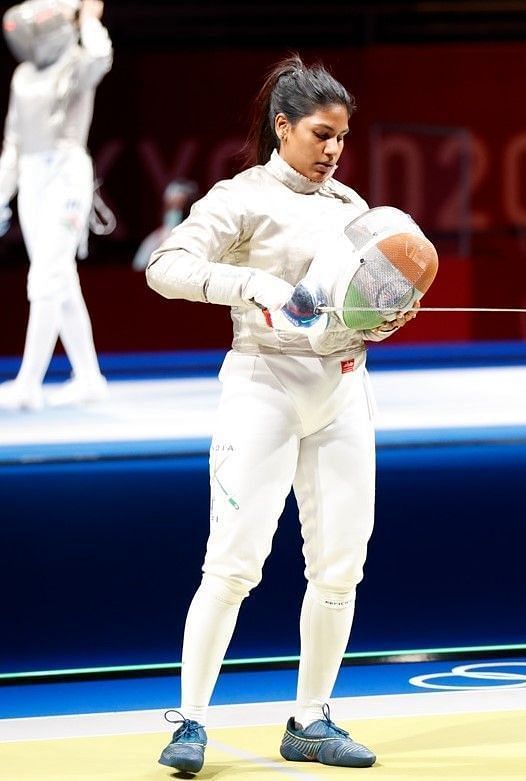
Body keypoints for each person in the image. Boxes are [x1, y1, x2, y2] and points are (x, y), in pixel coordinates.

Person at [146, 55, 419, 774]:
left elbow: (371, 301)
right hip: (263, 386)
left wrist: (389, 312)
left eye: (342, 138)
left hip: (342, 390)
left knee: (339, 566)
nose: (333, 150)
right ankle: (191, 721)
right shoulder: (240, 199)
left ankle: (311, 718)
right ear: (282, 125)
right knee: (233, 563)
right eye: (321, 134)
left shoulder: (352, 210)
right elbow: (164, 266)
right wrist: (255, 282)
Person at [0, 0, 112, 410]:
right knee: (60, 280)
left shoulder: (79, 61)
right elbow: (13, 140)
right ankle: (89, 378)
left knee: (46, 276)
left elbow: (102, 56)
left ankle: (28, 384)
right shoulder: (23, 77)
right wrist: (1, 194)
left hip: (65, 174)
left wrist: (88, 19)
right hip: (31, 179)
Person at [132, 179, 198, 272]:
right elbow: (138, 271)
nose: (176, 211)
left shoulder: (201, 238)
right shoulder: (153, 241)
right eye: (172, 206)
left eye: (182, 207)